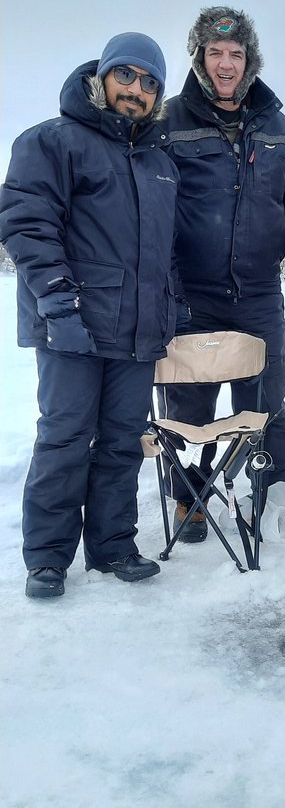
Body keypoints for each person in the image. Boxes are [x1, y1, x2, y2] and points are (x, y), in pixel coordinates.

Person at [0, 33, 183, 600]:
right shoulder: (52, 141)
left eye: (149, 83)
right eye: (126, 76)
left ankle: (112, 546)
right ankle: (48, 558)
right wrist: (57, 301)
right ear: (101, 77)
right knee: (64, 438)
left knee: (123, 441)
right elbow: (27, 223)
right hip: (71, 324)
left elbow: (166, 250)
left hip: (136, 330)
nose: (137, 90)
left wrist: (168, 306)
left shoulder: (159, 164)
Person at [161, 6, 285, 542]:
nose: (226, 64)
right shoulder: (169, 121)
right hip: (190, 293)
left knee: (266, 398)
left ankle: (275, 485)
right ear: (200, 57)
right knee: (190, 403)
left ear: (249, 60)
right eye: (215, 52)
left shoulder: (279, 127)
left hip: (257, 294)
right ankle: (190, 496)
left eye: (236, 54)